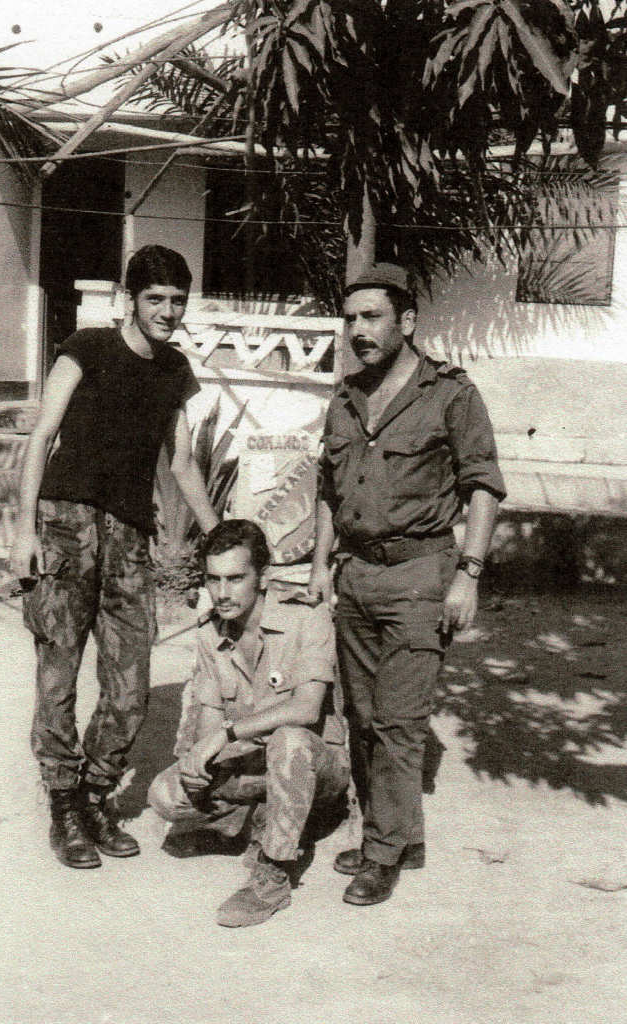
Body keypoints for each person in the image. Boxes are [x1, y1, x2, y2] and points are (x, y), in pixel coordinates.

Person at [10, 245, 219, 869]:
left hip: (129, 537)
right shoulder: (87, 348)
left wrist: (221, 536)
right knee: (59, 673)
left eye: (178, 300)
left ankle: (97, 794)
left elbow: (182, 464)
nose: (168, 311)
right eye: (155, 299)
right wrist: (22, 532)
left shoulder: (175, 370)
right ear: (130, 299)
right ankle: (63, 803)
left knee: (131, 682)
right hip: (65, 526)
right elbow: (42, 436)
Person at [308, 262, 506, 906]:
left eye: (372, 317)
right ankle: (400, 837)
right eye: (350, 319)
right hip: (357, 573)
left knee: (398, 721)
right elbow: (328, 488)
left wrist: (468, 575)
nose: (358, 331)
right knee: (362, 717)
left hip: (421, 575)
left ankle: (382, 852)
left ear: (408, 322)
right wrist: (319, 565)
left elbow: (483, 487)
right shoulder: (346, 397)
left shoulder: (451, 394)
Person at [148, 519, 350, 927]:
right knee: (166, 794)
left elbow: (307, 709)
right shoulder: (211, 633)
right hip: (254, 763)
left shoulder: (306, 617)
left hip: (314, 766)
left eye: (236, 578)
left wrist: (226, 735)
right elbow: (209, 724)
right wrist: (199, 761)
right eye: (213, 579)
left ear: (263, 577)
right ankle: (257, 820)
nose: (222, 593)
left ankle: (273, 874)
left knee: (289, 741)